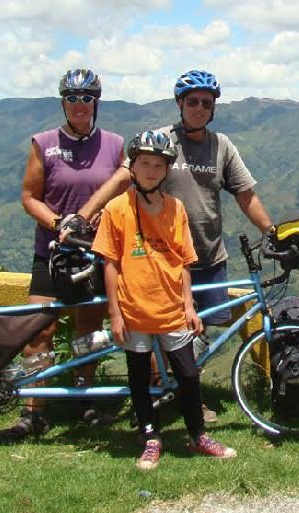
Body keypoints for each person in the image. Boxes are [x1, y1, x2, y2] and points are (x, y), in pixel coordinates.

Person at [78, 69, 274, 422]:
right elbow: (125, 176)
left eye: (206, 103)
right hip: (161, 260)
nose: (199, 107)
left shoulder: (222, 146)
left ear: (213, 108)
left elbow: (246, 196)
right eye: (193, 101)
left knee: (204, 329)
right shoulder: (162, 140)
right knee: (158, 328)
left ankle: (177, 389)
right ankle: (168, 395)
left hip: (210, 255)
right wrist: (86, 212)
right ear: (180, 103)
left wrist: (272, 231)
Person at [91, 130, 237, 470]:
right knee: (139, 377)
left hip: (171, 306)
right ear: (133, 167)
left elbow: (184, 261)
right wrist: (114, 312)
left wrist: (188, 305)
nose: (152, 170)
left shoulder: (176, 209)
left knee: (188, 374)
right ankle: (150, 437)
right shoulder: (116, 208)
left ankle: (197, 434)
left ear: (167, 169)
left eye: (159, 164)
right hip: (133, 307)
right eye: (145, 163)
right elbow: (110, 263)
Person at [0, 68, 124, 443]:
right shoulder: (44, 143)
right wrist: (58, 222)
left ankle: (85, 401)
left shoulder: (114, 144)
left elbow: (122, 191)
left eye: (86, 98)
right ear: (63, 102)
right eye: (72, 98)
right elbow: (29, 196)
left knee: (88, 328)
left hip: (94, 253)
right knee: (39, 329)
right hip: (50, 252)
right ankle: (33, 410)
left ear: (96, 102)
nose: (79, 105)